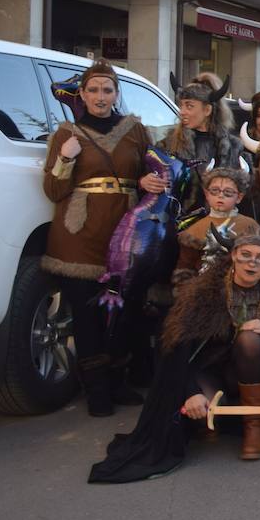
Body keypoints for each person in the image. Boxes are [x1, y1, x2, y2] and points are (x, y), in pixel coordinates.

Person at [88, 232, 260, 481]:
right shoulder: (202, 292)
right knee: (204, 409)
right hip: (209, 371)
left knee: (250, 339)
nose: (252, 263)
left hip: (252, 371)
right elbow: (172, 347)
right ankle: (210, 421)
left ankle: (255, 428)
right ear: (233, 256)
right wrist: (190, 392)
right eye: (246, 255)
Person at [43, 60, 163, 416]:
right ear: (81, 94)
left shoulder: (135, 131)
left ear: (116, 94)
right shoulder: (67, 133)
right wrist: (64, 160)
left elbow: (155, 171)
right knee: (86, 315)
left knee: (123, 312)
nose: (100, 96)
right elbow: (53, 189)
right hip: (79, 235)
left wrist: (146, 181)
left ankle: (116, 381)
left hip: (125, 234)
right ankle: (96, 392)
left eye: (107, 90)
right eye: (93, 90)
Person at [173, 168, 260, 287]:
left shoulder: (249, 225)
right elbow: (186, 267)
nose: (220, 196)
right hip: (205, 288)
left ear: (239, 197)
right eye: (215, 191)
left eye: (228, 192)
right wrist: (186, 294)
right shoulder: (195, 229)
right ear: (207, 194)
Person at [160, 72, 239, 200]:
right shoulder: (167, 145)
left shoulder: (233, 148)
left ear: (207, 110)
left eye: (189, 106)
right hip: (178, 217)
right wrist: (145, 181)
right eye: (182, 105)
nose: (182, 112)